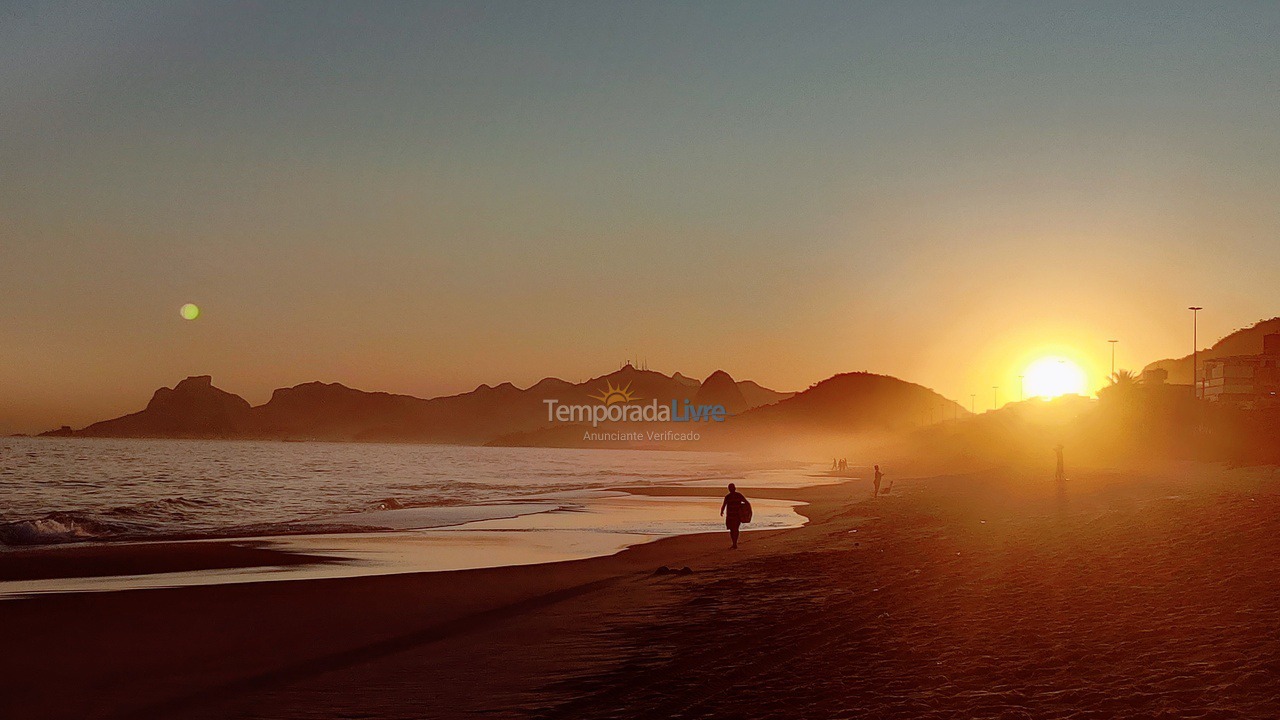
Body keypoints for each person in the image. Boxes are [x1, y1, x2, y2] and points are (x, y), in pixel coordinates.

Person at [720, 483, 748, 549]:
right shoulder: (736, 496)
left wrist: (722, 511)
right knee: (734, 529)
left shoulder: (730, 496)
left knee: (733, 530)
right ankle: (734, 543)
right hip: (734, 516)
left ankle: (734, 543)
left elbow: (724, 505)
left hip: (733, 516)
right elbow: (746, 503)